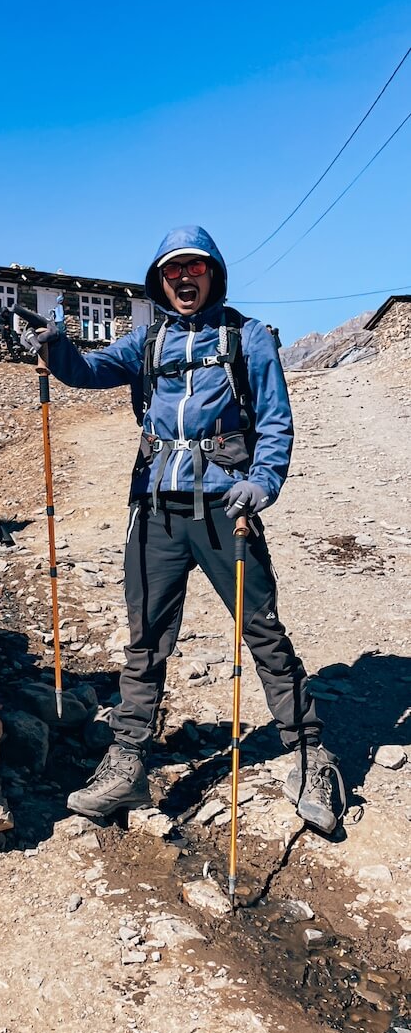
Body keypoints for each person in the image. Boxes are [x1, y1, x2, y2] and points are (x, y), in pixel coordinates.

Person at [18, 225, 344, 833]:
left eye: (194, 269)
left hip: (227, 507)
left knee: (262, 630)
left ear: (213, 273)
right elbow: (87, 370)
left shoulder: (248, 339)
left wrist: (263, 483)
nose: (184, 279)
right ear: (160, 281)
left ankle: (307, 752)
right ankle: (127, 761)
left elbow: (275, 422)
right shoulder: (146, 340)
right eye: (173, 272)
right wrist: (55, 347)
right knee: (145, 638)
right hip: (155, 508)